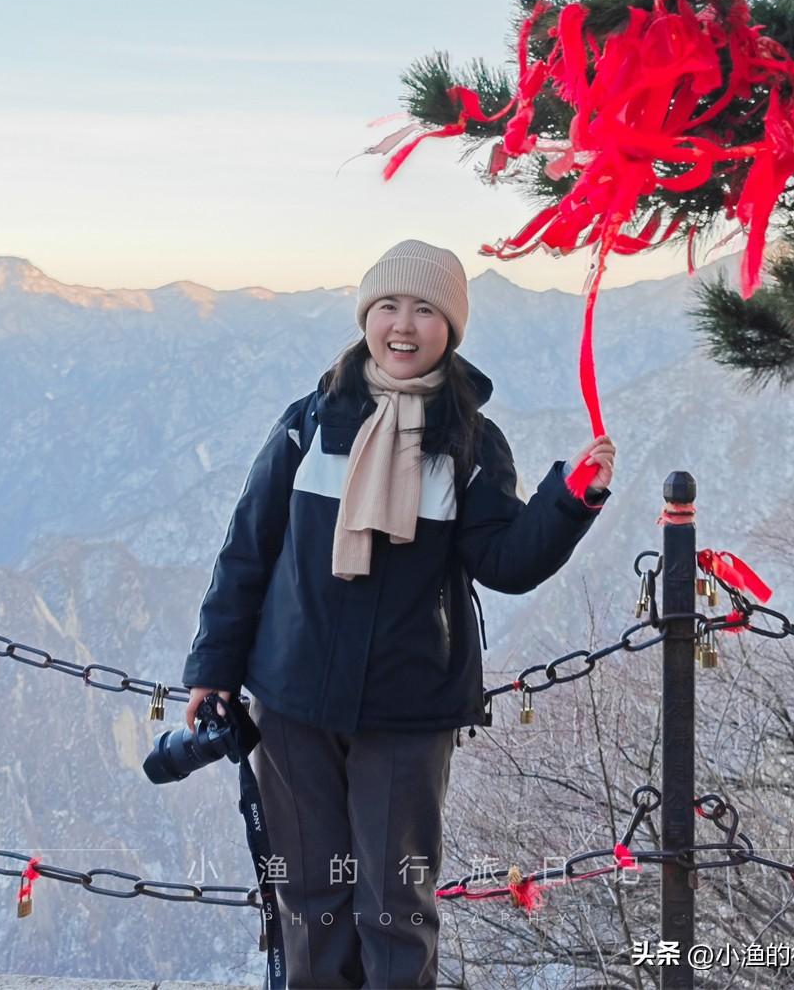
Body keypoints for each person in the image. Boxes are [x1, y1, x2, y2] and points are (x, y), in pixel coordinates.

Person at [182, 239, 615, 990]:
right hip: (293, 702)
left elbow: (505, 561)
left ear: (451, 325)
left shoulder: (470, 442)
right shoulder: (311, 421)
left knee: (395, 903)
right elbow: (247, 549)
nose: (403, 324)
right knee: (311, 899)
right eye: (388, 305)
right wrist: (212, 669)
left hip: (407, 708)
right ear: (365, 316)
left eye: (424, 308)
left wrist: (570, 498)